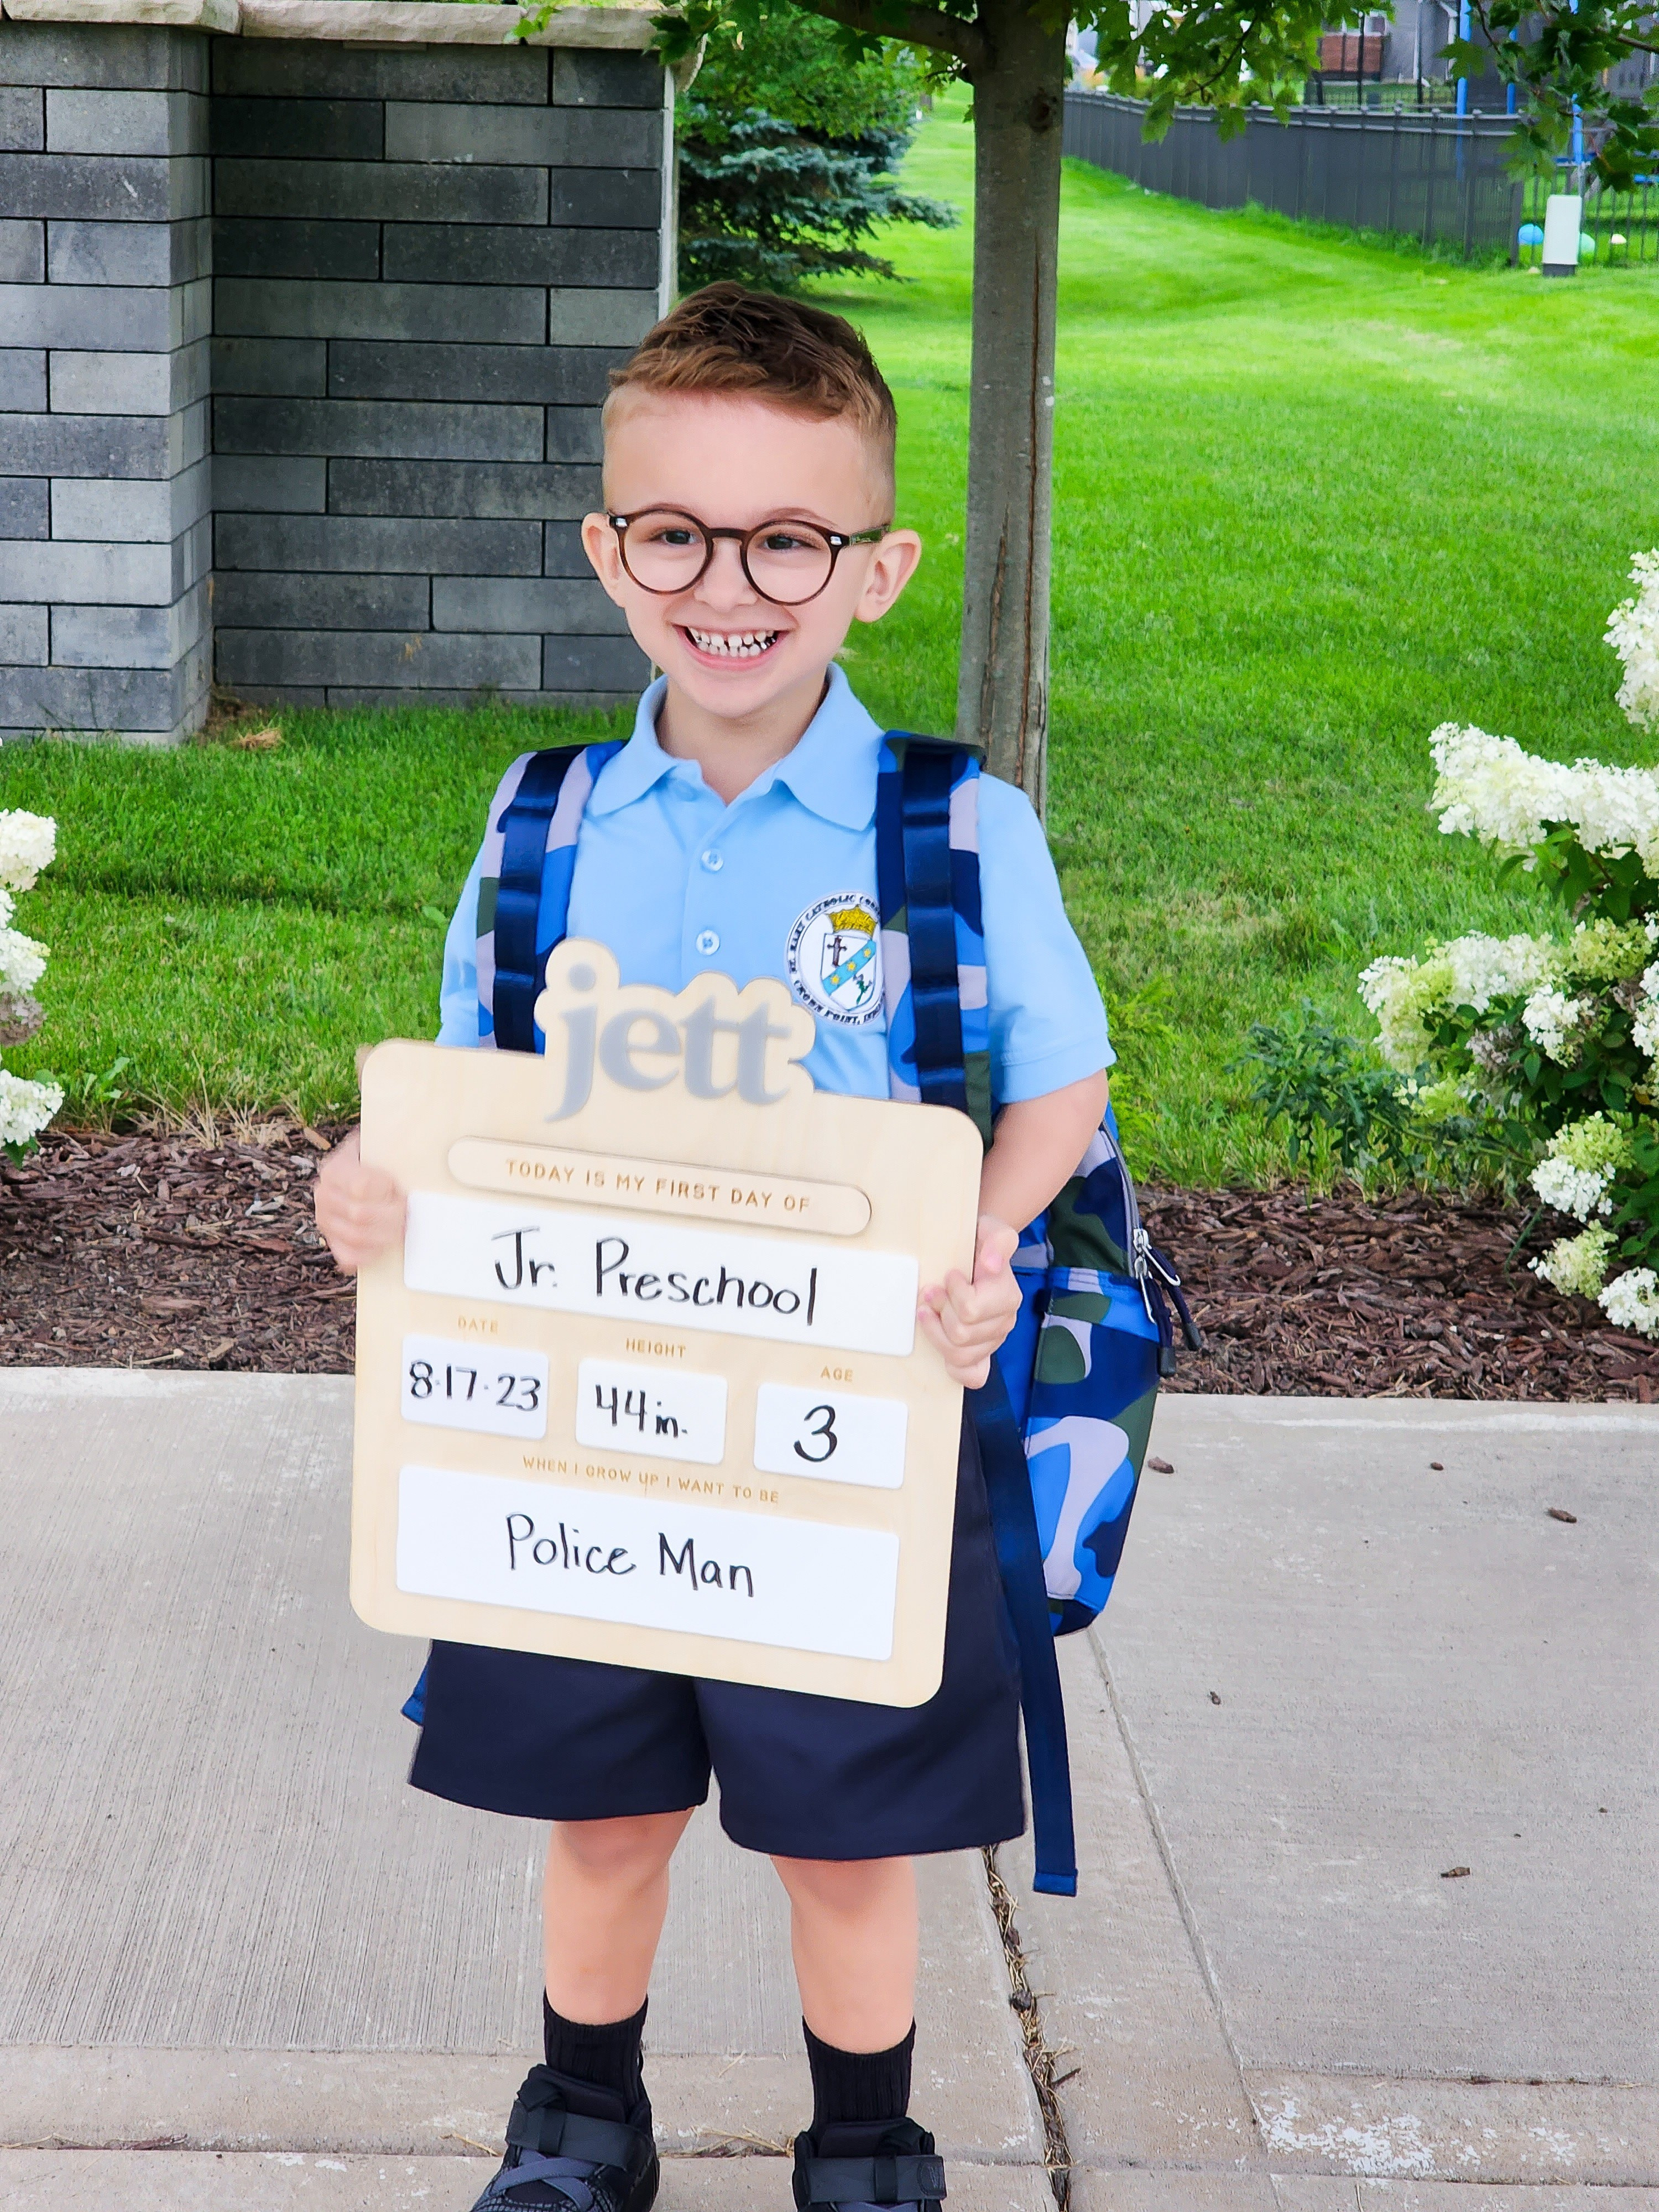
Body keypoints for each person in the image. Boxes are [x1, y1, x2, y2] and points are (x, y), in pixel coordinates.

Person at [315, 282, 1112, 2212]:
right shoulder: (546, 822)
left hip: (848, 1452)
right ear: (610, 550)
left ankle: (867, 2145)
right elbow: (473, 1092)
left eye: (788, 538)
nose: (727, 582)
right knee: (604, 1818)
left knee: (849, 1843)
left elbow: (1058, 1087)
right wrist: (378, 1185)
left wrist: (990, 1239)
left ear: (877, 569)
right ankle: (583, 2120)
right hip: (583, 1444)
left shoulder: (955, 829)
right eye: (674, 532)